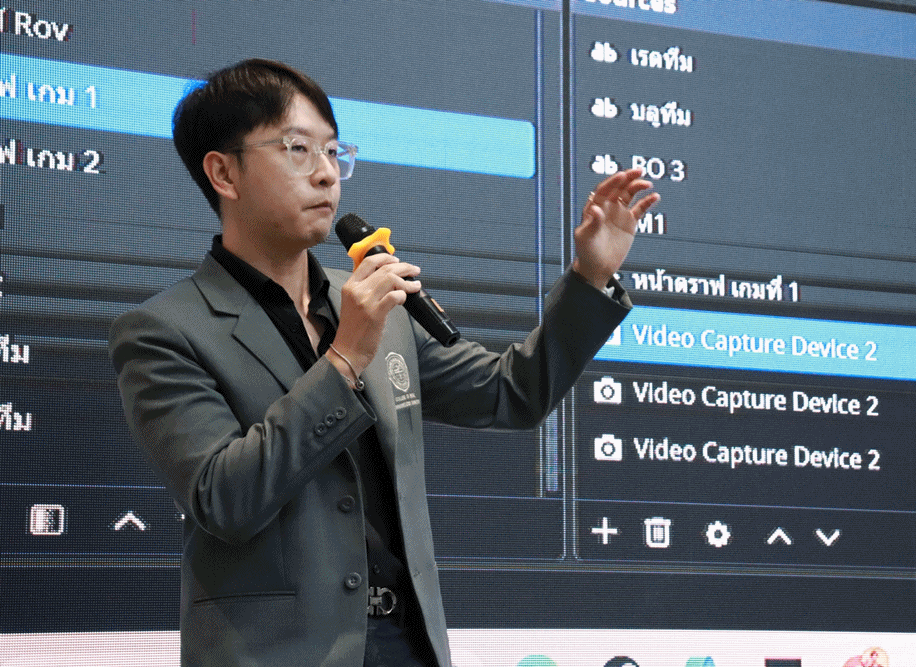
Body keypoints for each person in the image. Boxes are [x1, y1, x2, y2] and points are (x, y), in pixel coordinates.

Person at [109, 58, 659, 667]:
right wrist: (345, 357)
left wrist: (590, 275)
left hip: (408, 644)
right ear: (224, 173)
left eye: (333, 151)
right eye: (297, 149)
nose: (326, 174)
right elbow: (224, 499)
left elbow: (513, 393)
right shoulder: (165, 331)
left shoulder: (378, 304)